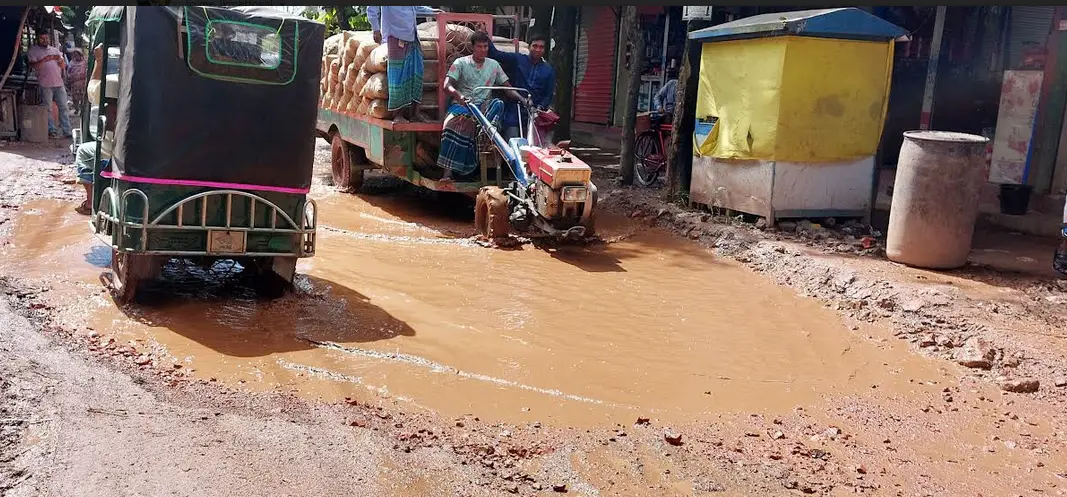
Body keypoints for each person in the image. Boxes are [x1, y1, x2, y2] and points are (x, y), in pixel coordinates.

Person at [438, 31, 527, 180]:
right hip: (463, 105)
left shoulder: (494, 65)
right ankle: (447, 172)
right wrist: (459, 95)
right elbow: (447, 85)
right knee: (451, 124)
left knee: (498, 103)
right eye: (479, 46)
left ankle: (485, 138)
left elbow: (506, 87)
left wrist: (522, 99)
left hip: (484, 108)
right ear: (472, 47)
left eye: (486, 46)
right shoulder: (461, 63)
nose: (483, 50)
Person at [368, 6, 441, 123]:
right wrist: (376, 29)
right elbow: (372, 9)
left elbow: (416, 7)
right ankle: (398, 114)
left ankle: (416, 113)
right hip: (396, 37)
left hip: (412, 36)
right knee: (398, 76)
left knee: (418, 72)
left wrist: (432, 11)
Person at [73, 44, 117, 216]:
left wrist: (99, 61)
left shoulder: (114, 82)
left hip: (115, 149)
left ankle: (91, 200)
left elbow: (92, 91)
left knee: (83, 151)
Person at [487, 33, 555, 141]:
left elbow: (548, 94)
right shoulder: (518, 59)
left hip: (534, 112)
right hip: (515, 108)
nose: (538, 50)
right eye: (535, 46)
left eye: (541, 47)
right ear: (529, 47)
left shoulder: (548, 69)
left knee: (534, 146)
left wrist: (539, 108)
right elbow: (496, 54)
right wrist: (485, 35)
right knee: (512, 141)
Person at [27, 31, 72, 139]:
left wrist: (60, 61)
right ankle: (52, 130)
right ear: (37, 39)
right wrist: (45, 59)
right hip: (45, 84)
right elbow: (33, 65)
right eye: (42, 38)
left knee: (64, 107)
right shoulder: (33, 51)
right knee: (48, 109)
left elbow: (62, 66)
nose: (45, 40)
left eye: (46, 38)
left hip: (59, 83)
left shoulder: (54, 50)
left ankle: (67, 131)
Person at [65, 48, 87, 116]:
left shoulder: (85, 62)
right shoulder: (72, 63)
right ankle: (76, 109)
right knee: (75, 98)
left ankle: (83, 109)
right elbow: (68, 72)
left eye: (78, 55)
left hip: (83, 83)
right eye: (75, 55)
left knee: (83, 97)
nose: (76, 56)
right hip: (74, 83)